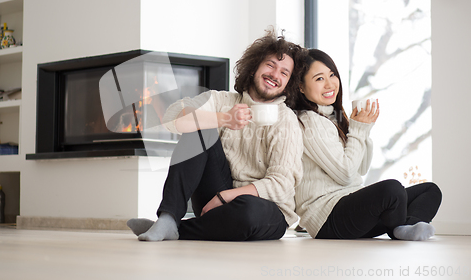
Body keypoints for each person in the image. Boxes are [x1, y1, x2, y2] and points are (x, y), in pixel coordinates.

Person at [127, 29, 307, 241]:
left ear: (288, 83)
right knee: (199, 124)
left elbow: (281, 185)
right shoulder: (222, 100)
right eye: (270, 65)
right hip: (216, 194)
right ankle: (168, 218)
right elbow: (172, 118)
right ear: (253, 67)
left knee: (248, 211)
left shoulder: (285, 120)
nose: (275, 75)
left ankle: (177, 228)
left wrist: (226, 197)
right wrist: (223, 119)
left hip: (264, 208)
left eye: (284, 73)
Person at [293, 49, 442, 240]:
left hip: (351, 210)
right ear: (301, 87)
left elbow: (360, 169)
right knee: (393, 190)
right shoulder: (309, 121)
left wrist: (364, 130)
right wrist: (358, 130)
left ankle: (404, 227)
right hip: (328, 217)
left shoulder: (333, 117)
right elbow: (346, 174)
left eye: (332, 75)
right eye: (319, 78)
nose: (330, 83)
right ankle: (402, 226)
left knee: (430, 191)